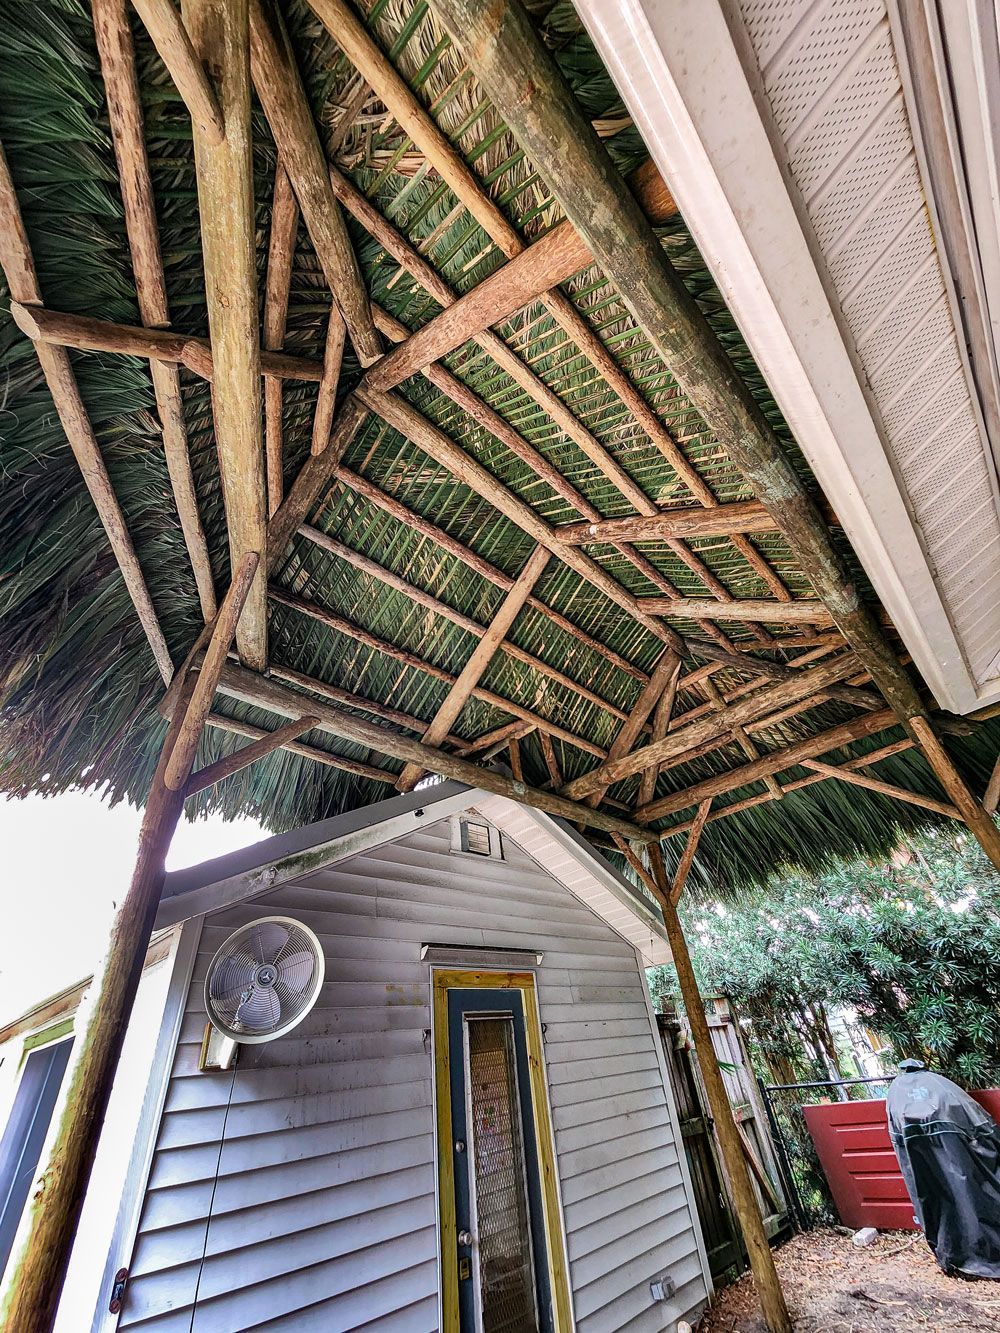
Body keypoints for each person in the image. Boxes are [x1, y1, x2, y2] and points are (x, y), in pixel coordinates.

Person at [887, 1059, 1000, 1278]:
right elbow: (983, 1128)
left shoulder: (896, 1094)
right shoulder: (943, 1087)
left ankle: (954, 1256)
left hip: (920, 1154)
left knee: (938, 1202)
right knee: (972, 1195)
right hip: (958, 1147)